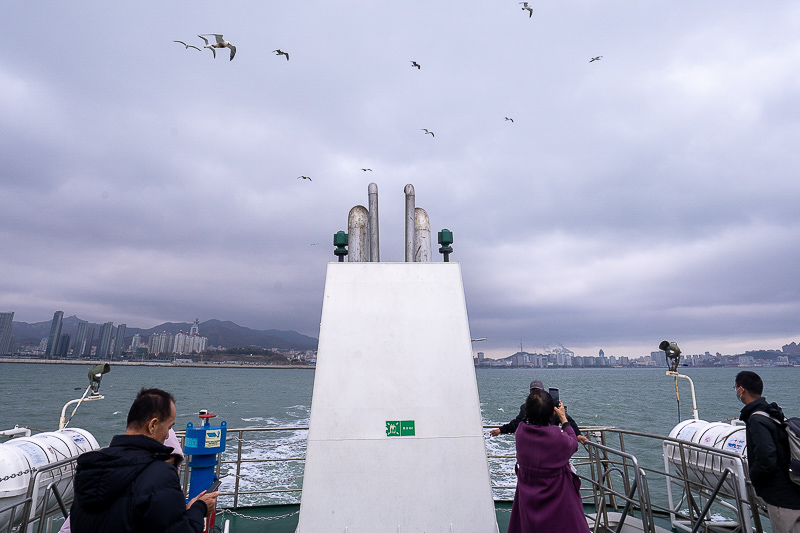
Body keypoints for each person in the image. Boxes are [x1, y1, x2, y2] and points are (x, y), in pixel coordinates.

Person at [68, 388, 218, 533]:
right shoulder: (160, 474)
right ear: (153, 425)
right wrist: (199, 508)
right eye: (169, 427)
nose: (167, 435)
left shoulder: (90, 467)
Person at [507, 388, 590, 533]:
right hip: (557, 495)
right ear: (552, 412)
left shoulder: (521, 431)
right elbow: (572, 443)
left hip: (528, 495)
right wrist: (563, 418)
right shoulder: (557, 437)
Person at [735, 371, 800, 533]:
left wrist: (754, 478)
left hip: (781, 497)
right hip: (793, 488)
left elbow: (766, 457)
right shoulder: (773, 413)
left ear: (742, 390)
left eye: (735, 387)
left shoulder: (756, 419)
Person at [490, 380, 589, 444]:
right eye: (534, 391)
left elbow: (569, 421)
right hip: (538, 441)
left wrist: (578, 435)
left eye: (538, 391)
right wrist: (501, 430)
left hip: (546, 441)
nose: (536, 393)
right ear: (530, 393)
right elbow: (516, 423)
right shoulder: (526, 408)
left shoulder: (551, 408)